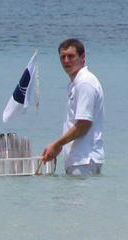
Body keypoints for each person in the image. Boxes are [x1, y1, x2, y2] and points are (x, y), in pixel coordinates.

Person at [42, 39, 105, 175]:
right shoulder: (76, 83)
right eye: (62, 57)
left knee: (77, 197)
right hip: (80, 159)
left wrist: (57, 144)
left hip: (84, 160)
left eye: (71, 56)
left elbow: (84, 124)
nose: (66, 61)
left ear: (82, 57)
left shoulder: (84, 83)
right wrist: (61, 147)